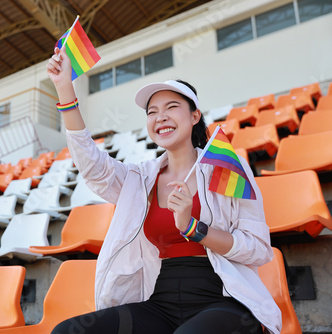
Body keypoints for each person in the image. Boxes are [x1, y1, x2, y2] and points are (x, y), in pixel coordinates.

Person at [46, 46, 282, 334]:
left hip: (224, 299)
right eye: (152, 112)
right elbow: (93, 166)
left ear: (195, 116)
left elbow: (258, 249)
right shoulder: (140, 178)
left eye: (172, 107)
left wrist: (194, 228)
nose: (160, 117)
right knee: (67, 332)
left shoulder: (228, 167)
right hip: (162, 301)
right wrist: (64, 89)